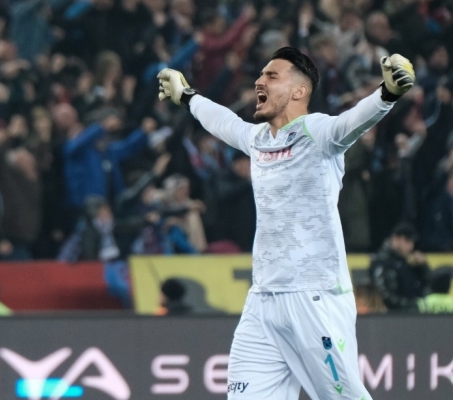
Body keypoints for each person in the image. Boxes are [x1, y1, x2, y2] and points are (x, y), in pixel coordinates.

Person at [158, 46, 415, 399]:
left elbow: (352, 122)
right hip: (263, 300)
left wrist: (387, 94)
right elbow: (224, 123)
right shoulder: (259, 139)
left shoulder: (318, 132)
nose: (259, 81)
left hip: (315, 296)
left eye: (271, 75)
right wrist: (187, 96)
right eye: (261, 74)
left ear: (299, 91)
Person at [369, 222, 431, 311]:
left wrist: (423, 267)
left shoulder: (406, 263)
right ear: (395, 239)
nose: (411, 246)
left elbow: (427, 288)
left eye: (413, 242)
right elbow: (383, 295)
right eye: (407, 241)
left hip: (411, 315)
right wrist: (411, 306)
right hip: (393, 316)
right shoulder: (382, 262)